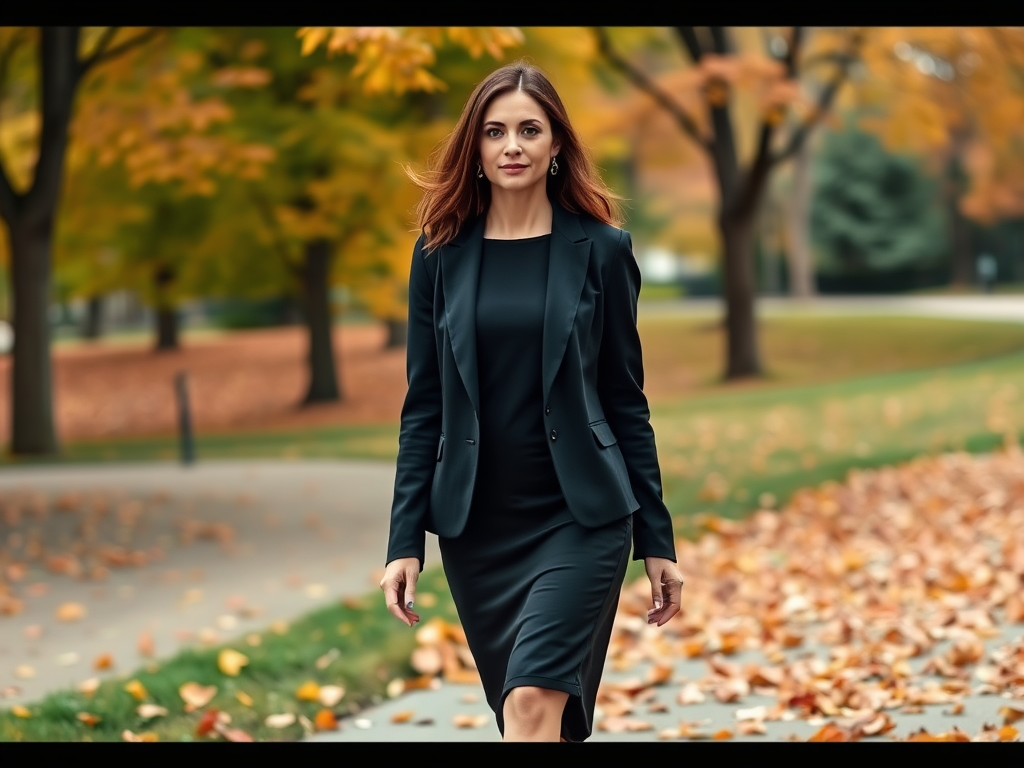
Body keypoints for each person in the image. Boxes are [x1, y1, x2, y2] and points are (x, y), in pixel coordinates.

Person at [379, 60, 683, 743]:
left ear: (554, 147)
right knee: (530, 718)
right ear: (476, 150)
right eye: (494, 132)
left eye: (528, 129)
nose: (511, 145)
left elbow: (625, 401)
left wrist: (657, 538)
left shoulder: (602, 251)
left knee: (531, 705)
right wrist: (404, 540)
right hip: (477, 527)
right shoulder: (439, 255)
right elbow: (423, 405)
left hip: (582, 516)